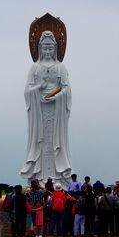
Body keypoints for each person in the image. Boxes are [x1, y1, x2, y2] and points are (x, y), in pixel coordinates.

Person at [21, 30, 72, 187]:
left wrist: (56, 96)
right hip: (39, 111)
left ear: (55, 49)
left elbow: (67, 89)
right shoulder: (34, 68)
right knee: (40, 142)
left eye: (50, 48)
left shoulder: (61, 68)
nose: (48, 51)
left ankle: (57, 178)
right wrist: (39, 88)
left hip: (56, 111)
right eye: (45, 48)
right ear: (39, 49)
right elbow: (27, 91)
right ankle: (38, 178)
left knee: (55, 142)